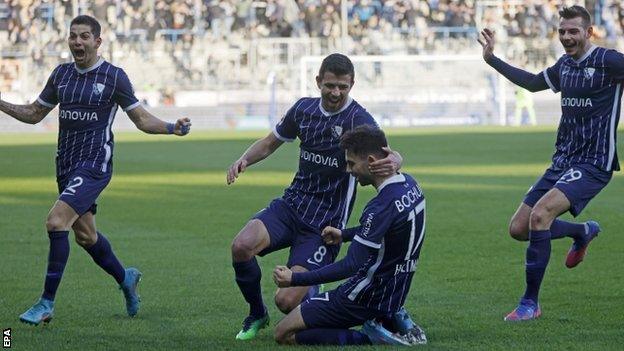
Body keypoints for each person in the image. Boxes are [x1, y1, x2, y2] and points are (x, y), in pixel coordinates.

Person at [0, 15, 191, 325]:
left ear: (97, 42)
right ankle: (125, 278)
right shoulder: (61, 75)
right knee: (86, 237)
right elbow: (35, 113)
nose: (78, 41)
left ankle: (46, 302)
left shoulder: (114, 77)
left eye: (85, 36)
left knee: (56, 221)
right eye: (73, 36)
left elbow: (141, 119)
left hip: (94, 166)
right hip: (65, 165)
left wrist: (172, 127)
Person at [226, 53, 408, 340]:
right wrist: (244, 159)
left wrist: (397, 158)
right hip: (292, 205)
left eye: (343, 87)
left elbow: (387, 151)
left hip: (325, 224)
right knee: (241, 246)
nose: (336, 93)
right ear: (318, 81)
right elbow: (271, 142)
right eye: (330, 85)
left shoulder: (358, 119)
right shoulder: (303, 110)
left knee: (285, 302)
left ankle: (314, 291)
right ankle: (256, 313)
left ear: (352, 85)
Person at [478, 5, 622, 321]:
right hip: (562, 161)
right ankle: (582, 231)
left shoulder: (609, 62)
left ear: (589, 32)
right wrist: (492, 59)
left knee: (541, 215)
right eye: (562, 32)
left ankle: (530, 304)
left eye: (573, 31)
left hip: (594, 162)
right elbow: (532, 82)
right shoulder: (565, 66)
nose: (567, 37)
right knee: (518, 228)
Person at [272, 125, 427, 346]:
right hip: (394, 291)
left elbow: (350, 265)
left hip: (363, 296)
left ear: (372, 161)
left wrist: (294, 279)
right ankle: (389, 315)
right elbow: (388, 230)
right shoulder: (411, 185)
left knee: (283, 333)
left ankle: (370, 337)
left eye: (352, 163)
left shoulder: (379, 206)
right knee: (304, 313)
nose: (348, 170)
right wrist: (344, 235)